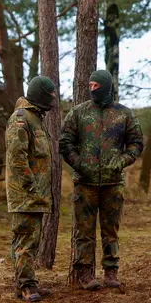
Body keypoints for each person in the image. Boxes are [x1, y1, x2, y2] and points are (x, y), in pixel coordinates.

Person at [60, 69, 144, 290]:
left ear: (106, 86)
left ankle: (111, 272)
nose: (92, 89)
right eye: (90, 85)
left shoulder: (124, 114)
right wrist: (79, 163)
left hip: (112, 183)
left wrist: (123, 160)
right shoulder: (78, 113)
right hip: (84, 183)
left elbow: (136, 143)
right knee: (83, 231)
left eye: (96, 86)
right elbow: (65, 143)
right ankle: (85, 274)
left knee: (111, 231)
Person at [6, 76, 56, 302]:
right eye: (51, 94)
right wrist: (31, 187)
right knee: (25, 241)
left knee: (31, 242)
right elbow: (17, 157)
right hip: (26, 195)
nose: (54, 98)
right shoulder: (21, 118)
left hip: (35, 196)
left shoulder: (36, 118)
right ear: (41, 94)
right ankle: (26, 288)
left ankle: (27, 283)